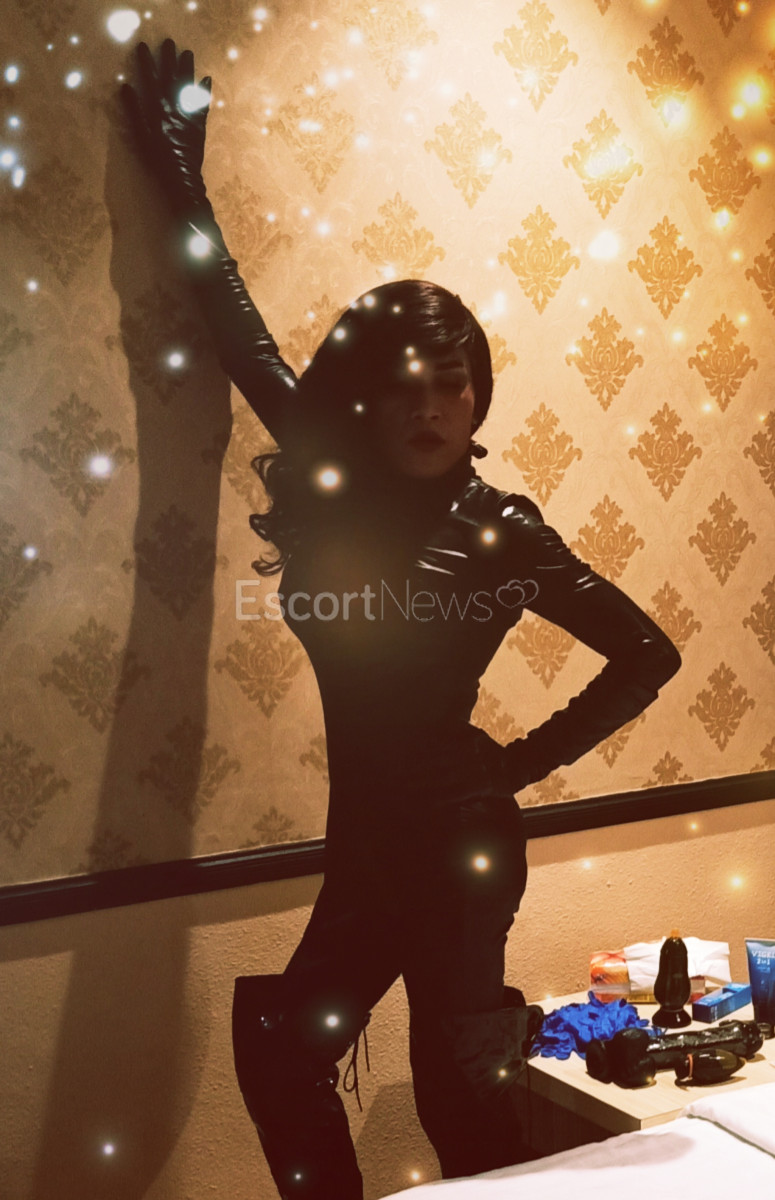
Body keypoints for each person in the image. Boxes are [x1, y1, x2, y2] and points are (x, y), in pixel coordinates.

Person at [122, 40, 682, 1199]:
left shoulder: (502, 528)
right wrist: (181, 175)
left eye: (452, 384)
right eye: (406, 386)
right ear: (371, 395)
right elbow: (242, 337)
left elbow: (646, 652)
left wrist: (512, 766)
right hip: (368, 837)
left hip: (455, 846)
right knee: (289, 1050)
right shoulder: (339, 490)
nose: (431, 407)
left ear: (477, 395)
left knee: (454, 1096)